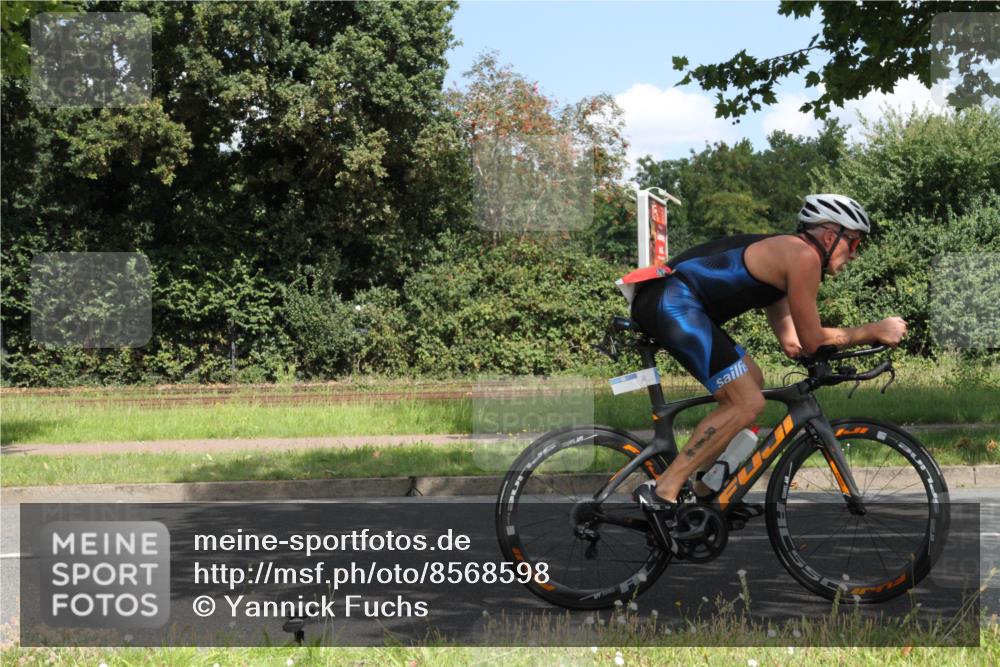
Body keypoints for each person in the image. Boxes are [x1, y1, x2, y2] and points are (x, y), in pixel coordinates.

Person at [628, 194, 907, 543]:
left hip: (676, 302)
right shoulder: (803, 256)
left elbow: (793, 343)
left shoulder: (787, 259)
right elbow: (812, 339)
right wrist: (873, 330)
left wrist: (827, 357)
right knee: (747, 402)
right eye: (853, 242)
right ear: (828, 234)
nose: (855, 253)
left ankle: (705, 488)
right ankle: (663, 490)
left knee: (753, 384)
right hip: (672, 302)